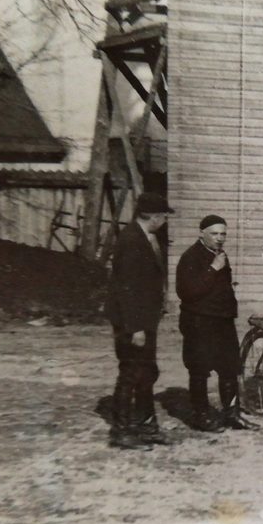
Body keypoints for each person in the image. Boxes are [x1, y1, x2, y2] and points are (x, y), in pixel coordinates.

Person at [104, 191, 173, 450]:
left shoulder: (145, 236)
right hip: (133, 322)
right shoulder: (132, 240)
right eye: (164, 216)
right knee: (131, 373)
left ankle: (146, 426)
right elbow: (127, 289)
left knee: (146, 373)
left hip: (144, 319)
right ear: (153, 216)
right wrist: (136, 329)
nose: (165, 221)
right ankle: (121, 432)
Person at [175, 215, 256, 432]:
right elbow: (187, 292)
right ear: (201, 233)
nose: (220, 238)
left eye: (223, 234)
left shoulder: (220, 255)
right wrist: (212, 269)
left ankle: (231, 414)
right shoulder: (190, 257)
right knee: (199, 369)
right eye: (214, 233)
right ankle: (201, 416)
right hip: (199, 321)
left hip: (222, 321)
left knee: (229, 368)